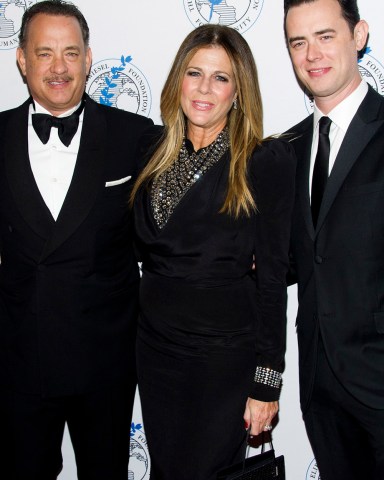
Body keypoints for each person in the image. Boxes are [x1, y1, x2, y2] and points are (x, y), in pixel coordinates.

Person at [131, 24, 296, 480]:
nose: (205, 88)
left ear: (238, 89)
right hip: (155, 351)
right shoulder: (150, 153)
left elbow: (272, 281)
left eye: (221, 77)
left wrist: (267, 381)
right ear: (177, 81)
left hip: (223, 358)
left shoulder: (264, 162)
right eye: (194, 73)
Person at [0, 1, 153, 479]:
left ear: (89, 59)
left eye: (70, 53)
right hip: (19, 361)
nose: (59, 67)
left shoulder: (134, 136)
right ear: (22, 59)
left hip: (104, 362)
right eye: (44, 53)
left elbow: (195, 185)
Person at [284, 0, 384, 478]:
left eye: (325, 36)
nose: (312, 54)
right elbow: (291, 259)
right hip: (320, 387)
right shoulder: (288, 148)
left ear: (359, 35)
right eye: (298, 42)